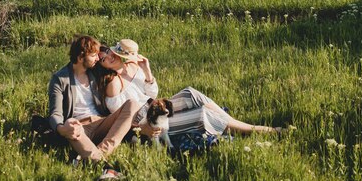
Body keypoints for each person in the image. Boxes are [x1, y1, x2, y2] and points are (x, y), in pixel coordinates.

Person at [97, 39, 281, 143]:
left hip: (155, 108)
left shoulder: (132, 67)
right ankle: (260, 131)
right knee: (202, 115)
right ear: (104, 67)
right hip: (146, 123)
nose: (110, 57)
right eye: (105, 59)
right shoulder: (114, 84)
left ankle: (234, 124)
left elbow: (151, 95)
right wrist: (143, 129)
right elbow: (124, 119)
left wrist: (147, 72)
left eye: (110, 53)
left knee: (191, 93)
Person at [48, 35, 140, 180]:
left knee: (132, 104)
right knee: (72, 125)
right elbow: (55, 113)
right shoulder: (60, 79)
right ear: (80, 57)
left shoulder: (95, 70)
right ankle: (108, 169)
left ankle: (98, 153)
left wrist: (132, 57)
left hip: (100, 122)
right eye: (93, 55)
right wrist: (62, 128)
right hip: (79, 126)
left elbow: (116, 61)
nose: (97, 58)